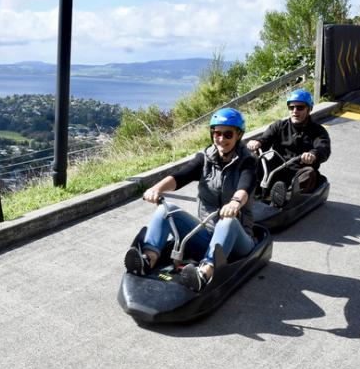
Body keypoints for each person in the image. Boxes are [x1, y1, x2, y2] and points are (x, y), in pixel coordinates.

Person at [124, 107, 259, 292]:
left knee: (227, 221)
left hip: (238, 240)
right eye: (217, 133)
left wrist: (235, 203)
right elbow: (180, 176)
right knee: (166, 210)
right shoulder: (204, 159)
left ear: (238, 136)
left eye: (228, 134)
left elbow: (245, 186)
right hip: (206, 235)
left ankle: (204, 273)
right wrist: (156, 188)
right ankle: (148, 260)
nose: (221, 139)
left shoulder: (248, 162)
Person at [246, 89, 330, 207]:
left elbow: (323, 148)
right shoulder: (279, 126)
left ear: (309, 109)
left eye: (300, 107)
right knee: (253, 159)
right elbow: (265, 139)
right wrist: (257, 143)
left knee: (309, 173)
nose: (295, 111)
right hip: (276, 169)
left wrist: (313, 154)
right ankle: (252, 191)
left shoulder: (318, 131)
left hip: (298, 172)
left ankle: (282, 199)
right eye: (291, 107)